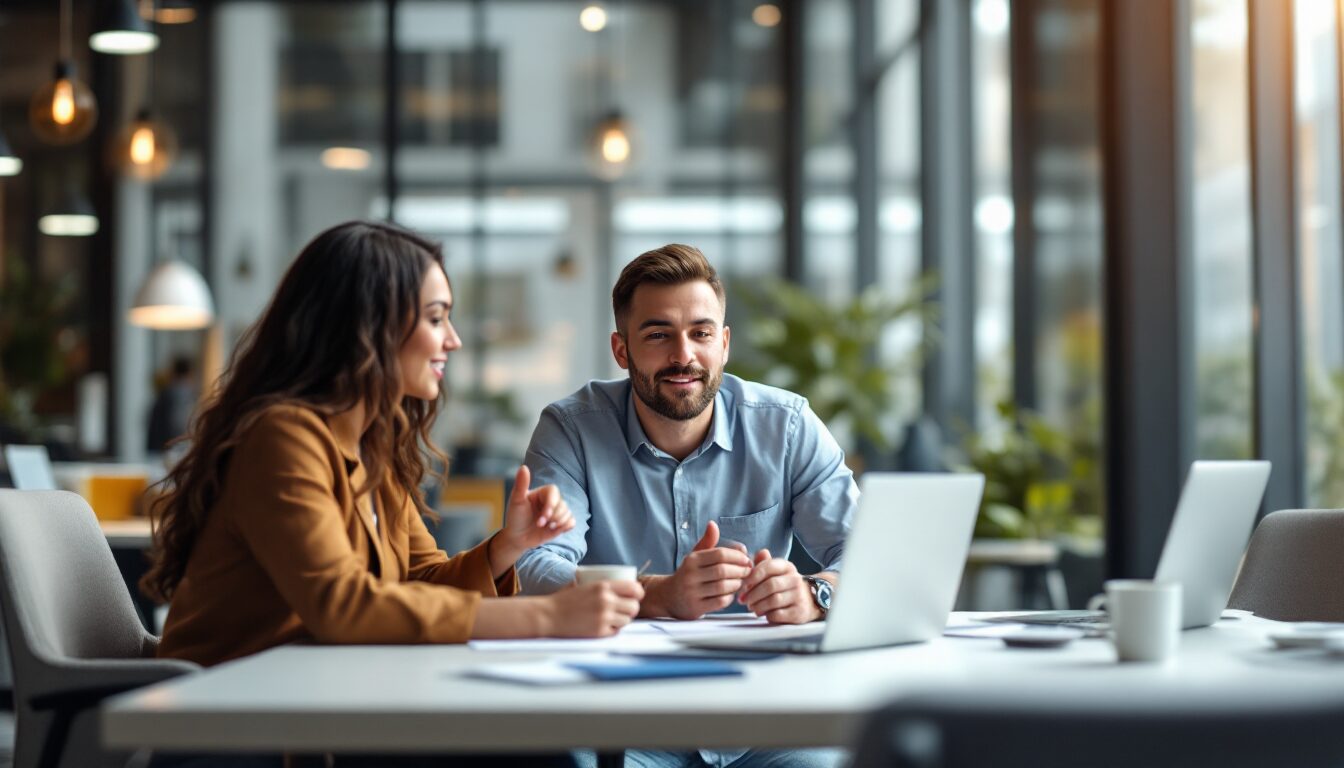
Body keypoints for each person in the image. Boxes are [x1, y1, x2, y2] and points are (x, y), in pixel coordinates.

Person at [143, 220, 642, 767]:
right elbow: (343, 606)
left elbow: (421, 579)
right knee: (541, 757)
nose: (452, 338)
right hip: (242, 731)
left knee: (543, 752)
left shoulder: (372, 446)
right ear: (368, 327)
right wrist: (548, 619)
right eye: (434, 318)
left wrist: (506, 547)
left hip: (325, 706)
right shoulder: (283, 435)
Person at [516, 244, 856, 768]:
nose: (683, 356)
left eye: (700, 333)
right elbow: (534, 566)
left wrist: (816, 594)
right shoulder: (572, 430)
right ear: (622, 349)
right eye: (658, 335)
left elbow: (868, 557)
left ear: (723, 344)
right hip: (625, 717)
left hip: (768, 718)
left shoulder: (786, 426)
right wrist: (655, 595)